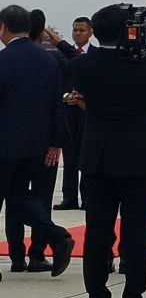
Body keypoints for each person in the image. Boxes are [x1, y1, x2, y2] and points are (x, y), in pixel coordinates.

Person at [69, 4, 146, 298]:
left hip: (97, 158)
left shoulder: (81, 66)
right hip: (137, 159)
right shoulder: (145, 67)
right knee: (135, 230)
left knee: (97, 229)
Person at [0, 5, 75, 284]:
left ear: (4, 27)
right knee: (22, 198)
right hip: (41, 144)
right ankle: (54, 238)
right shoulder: (49, 60)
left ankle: (21, 255)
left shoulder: (3, 60)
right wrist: (55, 142)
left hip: (6, 143)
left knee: (14, 198)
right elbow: (58, 105)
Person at [56, 16, 92, 210]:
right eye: (75, 30)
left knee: (87, 156)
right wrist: (66, 95)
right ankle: (69, 197)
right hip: (69, 112)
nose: (78, 33)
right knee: (69, 156)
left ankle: (87, 197)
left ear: (90, 32)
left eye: (82, 30)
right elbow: (58, 82)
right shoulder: (61, 55)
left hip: (88, 112)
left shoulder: (95, 55)